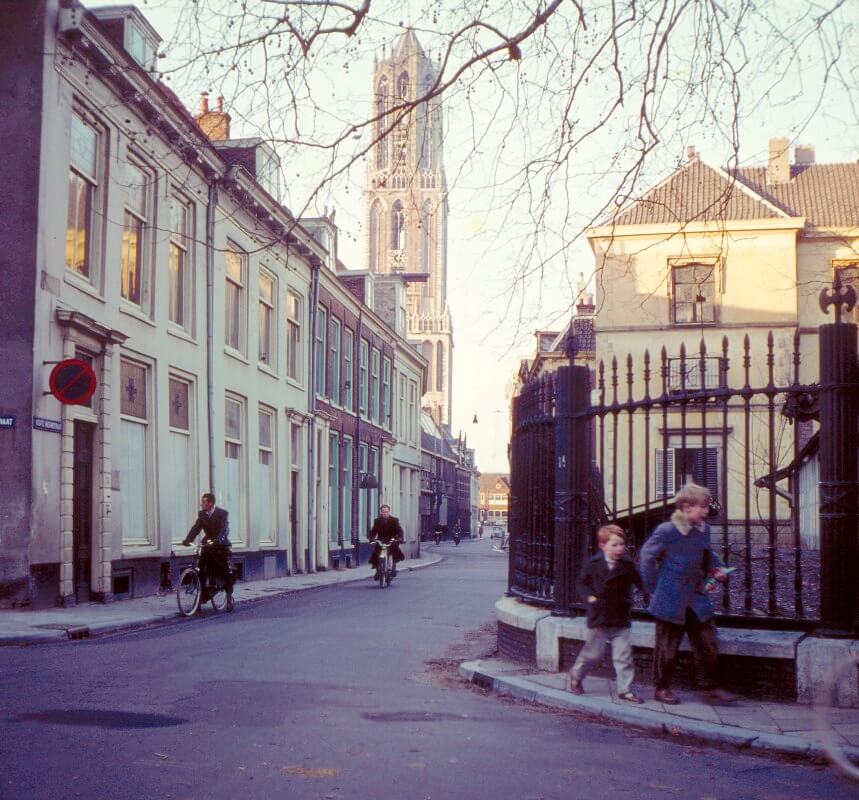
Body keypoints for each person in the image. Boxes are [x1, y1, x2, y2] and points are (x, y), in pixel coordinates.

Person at [639, 483, 733, 705]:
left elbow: (707, 554)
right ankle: (661, 688)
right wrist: (652, 589)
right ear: (686, 506)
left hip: (696, 597)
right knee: (667, 649)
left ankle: (708, 688)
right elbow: (645, 557)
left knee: (708, 644)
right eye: (703, 507)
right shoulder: (667, 530)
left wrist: (717, 568)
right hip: (670, 598)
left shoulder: (703, 529)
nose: (707, 511)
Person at [567, 524, 644, 703]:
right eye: (614, 545)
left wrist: (648, 590)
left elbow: (640, 581)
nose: (619, 549)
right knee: (593, 654)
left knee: (623, 656)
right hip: (600, 617)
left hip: (620, 616)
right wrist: (589, 598)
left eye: (621, 544)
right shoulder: (593, 564)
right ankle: (576, 676)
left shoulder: (627, 564)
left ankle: (624, 690)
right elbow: (581, 584)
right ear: (602, 545)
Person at [182, 492, 234, 599]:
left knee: (224, 568)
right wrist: (188, 540)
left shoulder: (222, 513)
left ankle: (229, 594)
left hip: (220, 545)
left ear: (210, 503)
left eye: (203, 502)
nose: (201, 504)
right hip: (208, 544)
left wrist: (217, 540)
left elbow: (224, 529)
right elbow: (196, 528)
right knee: (201, 567)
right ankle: (203, 594)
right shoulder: (202, 514)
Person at [369, 504, 405, 579]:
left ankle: (393, 568)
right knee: (376, 555)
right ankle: (378, 571)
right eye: (383, 512)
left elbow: (399, 530)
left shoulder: (394, 520)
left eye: (386, 512)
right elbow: (373, 531)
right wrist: (371, 538)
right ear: (381, 512)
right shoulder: (377, 521)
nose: (385, 513)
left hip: (391, 540)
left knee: (394, 553)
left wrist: (400, 538)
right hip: (381, 541)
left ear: (389, 512)